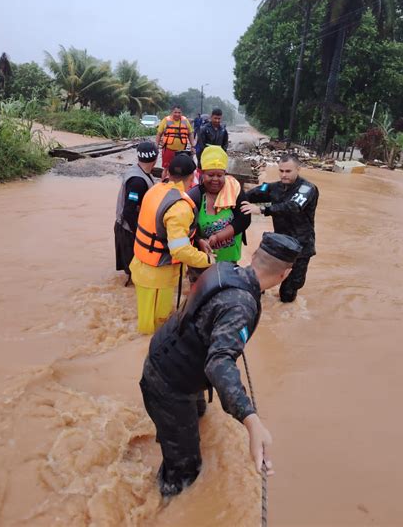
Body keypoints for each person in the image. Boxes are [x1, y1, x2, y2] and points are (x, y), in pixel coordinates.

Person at [139, 232, 302, 497]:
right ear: (284, 275)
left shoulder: (225, 268)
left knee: (201, 414)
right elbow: (219, 363)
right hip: (168, 381)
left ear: (255, 256)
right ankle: (163, 507)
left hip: (169, 353)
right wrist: (252, 422)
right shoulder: (241, 305)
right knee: (185, 471)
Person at [130, 153, 214, 335]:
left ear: (167, 172)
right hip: (158, 276)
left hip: (141, 266)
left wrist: (197, 240)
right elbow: (180, 251)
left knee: (145, 324)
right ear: (193, 177)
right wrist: (207, 260)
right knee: (155, 328)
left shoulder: (155, 189)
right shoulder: (180, 207)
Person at [241, 154, 319, 303]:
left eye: (288, 171)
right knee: (258, 282)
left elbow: (293, 206)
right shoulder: (274, 187)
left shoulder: (307, 188)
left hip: (301, 246)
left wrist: (263, 210)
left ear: (298, 169)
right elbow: (257, 191)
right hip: (278, 245)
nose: (284, 175)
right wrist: (236, 197)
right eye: (281, 171)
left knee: (288, 294)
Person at [188, 145, 250, 263]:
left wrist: (218, 237)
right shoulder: (195, 196)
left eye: (220, 175)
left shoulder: (234, 190)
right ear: (202, 173)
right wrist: (198, 241)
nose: (215, 179)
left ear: (225, 174)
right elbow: (186, 227)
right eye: (210, 175)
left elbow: (244, 219)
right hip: (202, 260)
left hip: (229, 260)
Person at [114, 141, 158, 286]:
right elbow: (128, 211)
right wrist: (139, 233)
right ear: (156, 158)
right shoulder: (138, 182)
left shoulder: (138, 171)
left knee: (136, 270)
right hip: (128, 230)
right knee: (135, 273)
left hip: (127, 227)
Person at [155, 106, 196, 181]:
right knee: (166, 169)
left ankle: (178, 183)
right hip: (168, 149)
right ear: (172, 112)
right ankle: (163, 184)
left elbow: (190, 133)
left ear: (181, 113)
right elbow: (159, 134)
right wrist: (156, 145)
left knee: (181, 169)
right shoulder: (166, 120)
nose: (177, 114)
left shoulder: (185, 121)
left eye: (179, 112)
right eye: (175, 112)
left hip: (181, 151)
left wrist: (193, 146)